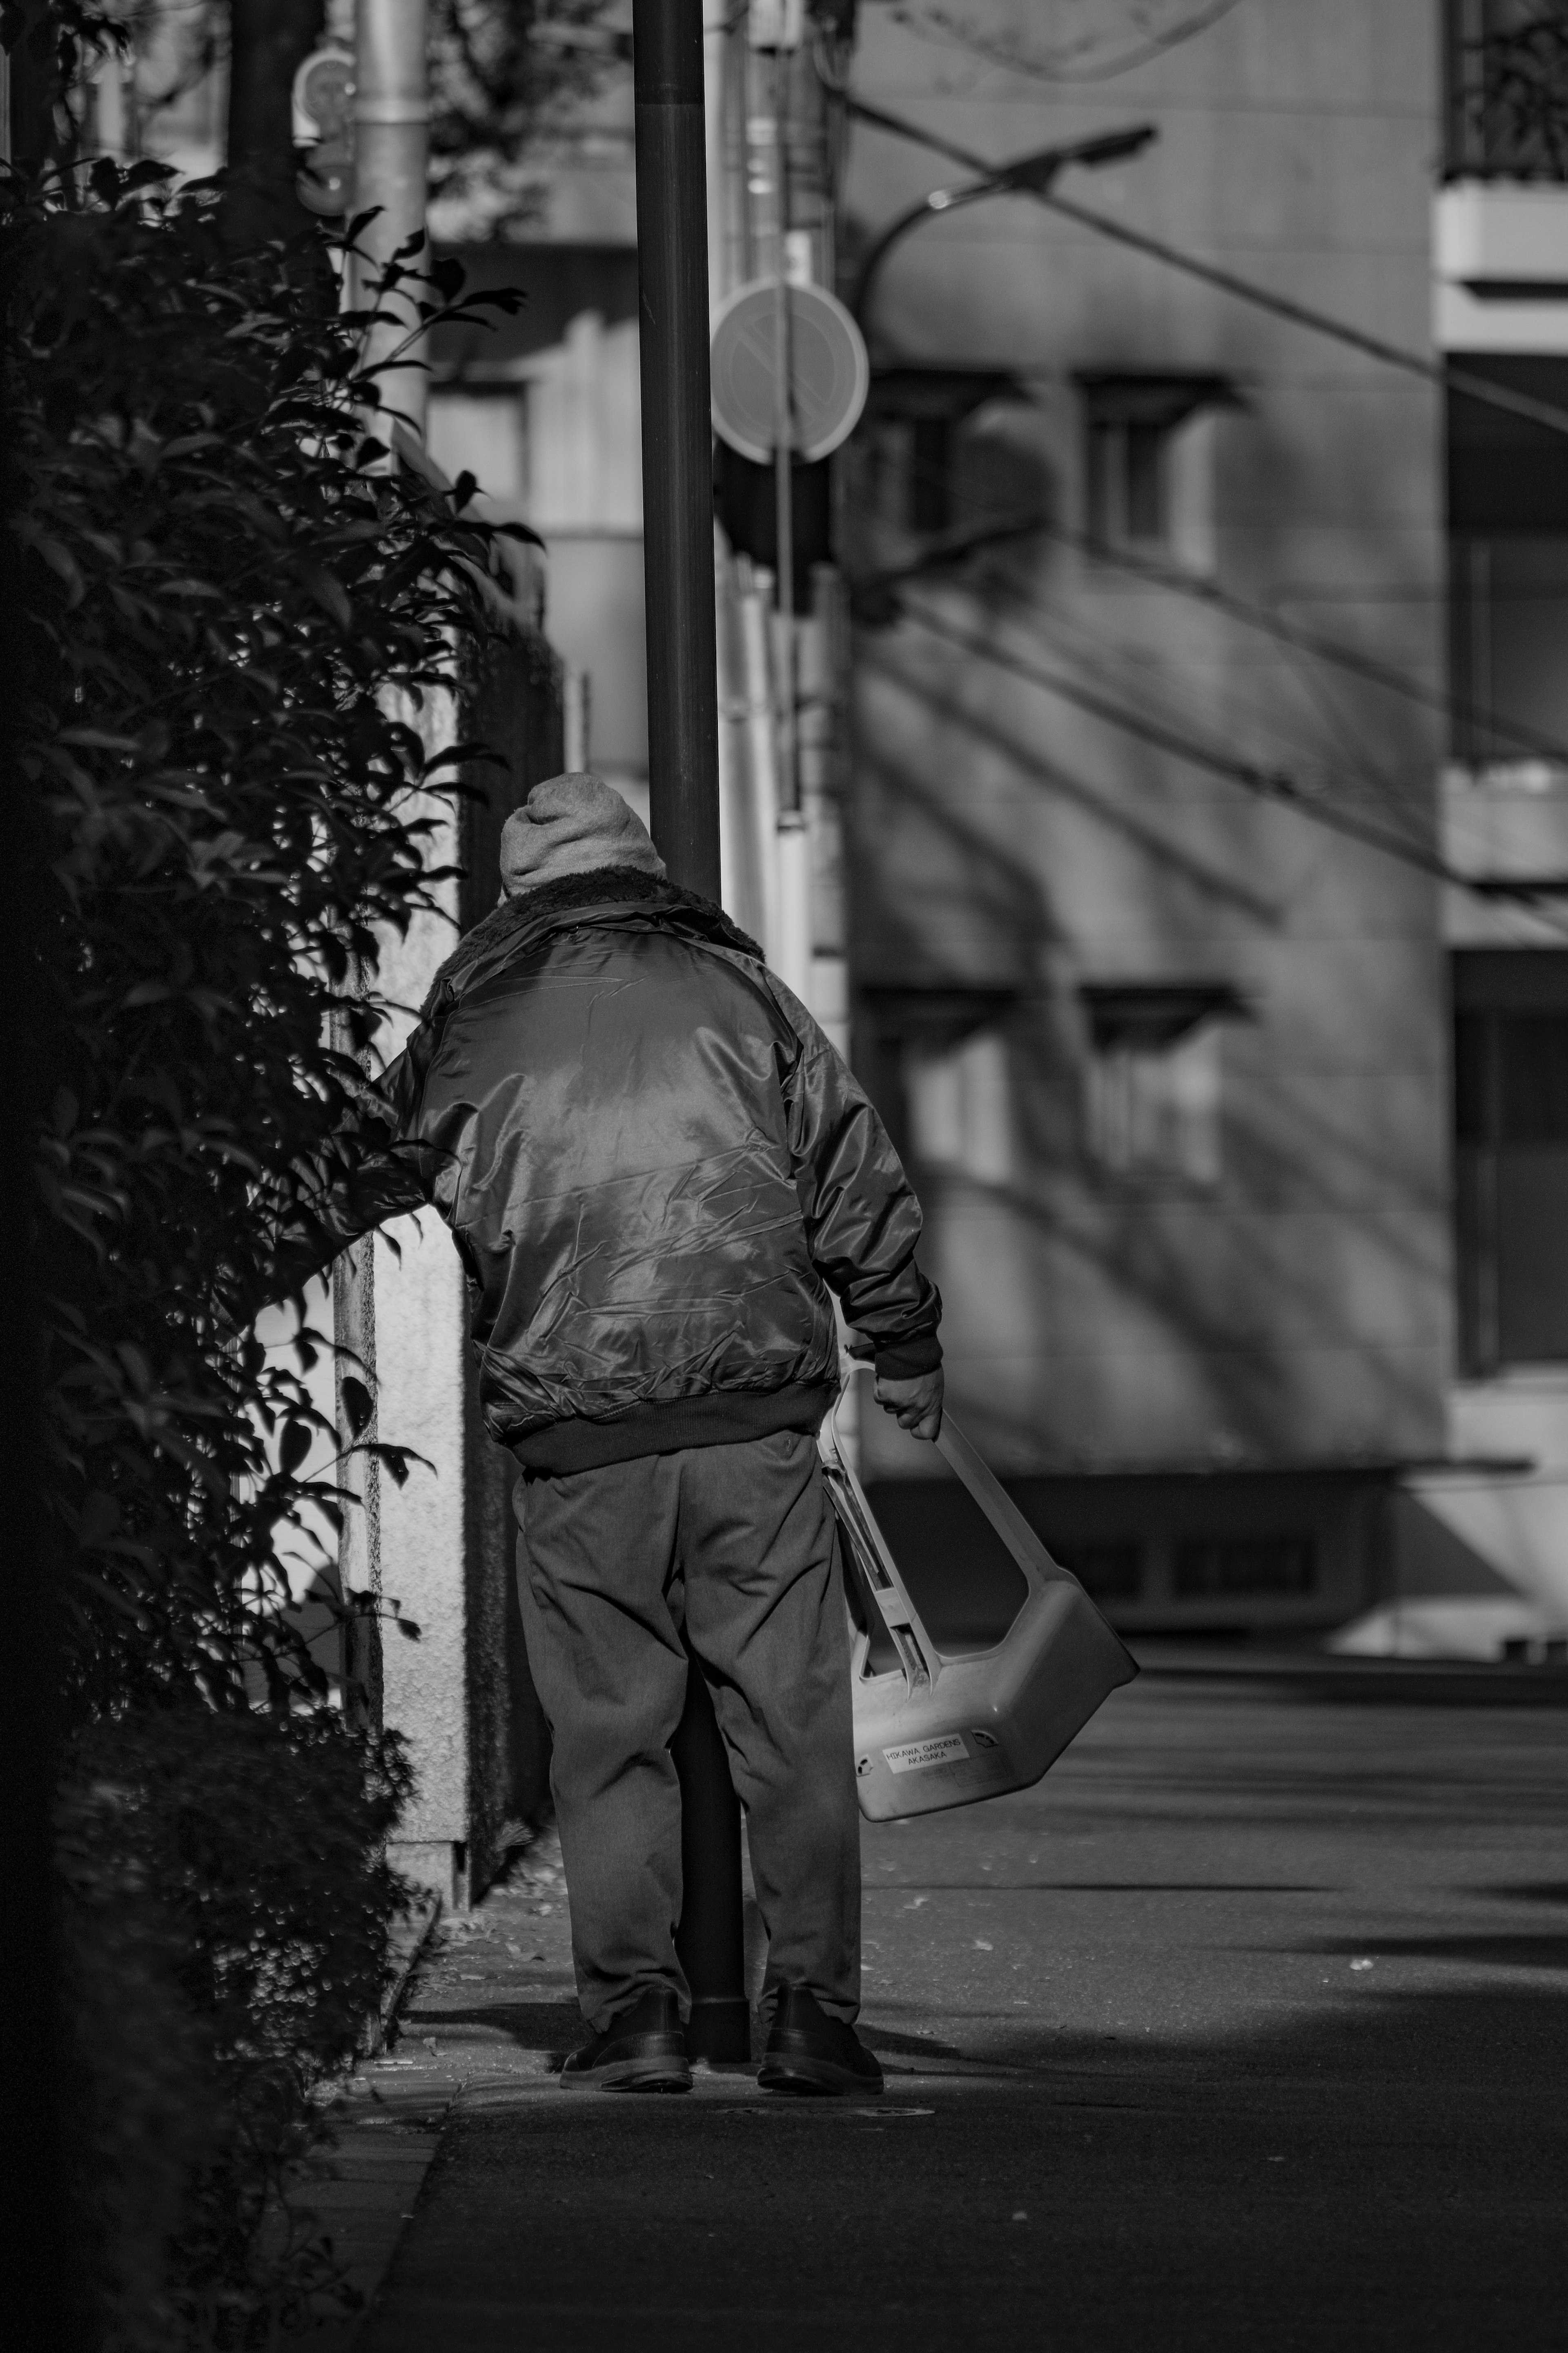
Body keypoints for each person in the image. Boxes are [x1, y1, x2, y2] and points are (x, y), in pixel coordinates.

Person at [316, 772, 943, 2095]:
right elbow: (851, 1167)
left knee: (608, 1735)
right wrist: (906, 1341)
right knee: (791, 1725)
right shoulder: (743, 995)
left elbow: (358, 1157)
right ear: (644, 872)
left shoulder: (475, 1013)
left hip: (577, 1423)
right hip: (753, 1421)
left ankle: (640, 2016)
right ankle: (814, 2015)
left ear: (515, 897)